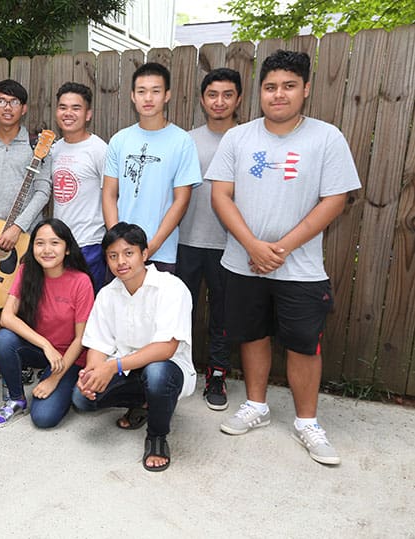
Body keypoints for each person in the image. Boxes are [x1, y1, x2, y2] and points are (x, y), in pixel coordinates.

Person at [209, 50, 361, 465]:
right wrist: (253, 246)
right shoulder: (238, 138)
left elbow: (336, 199)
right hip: (243, 261)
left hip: (302, 268)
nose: (279, 95)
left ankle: (307, 422)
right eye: (271, 87)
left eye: (289, 86)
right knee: (252, 335)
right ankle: (256, 406)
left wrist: (283, 247)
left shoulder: (326, 137)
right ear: (260, 92)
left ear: (306, 89)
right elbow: (220, 195)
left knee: (303, 345)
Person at [73, 222, 195, 471]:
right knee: (82, 399)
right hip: (127, 369)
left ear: (144, 254)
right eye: (113, 256)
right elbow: (98, 344)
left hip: (169, 369)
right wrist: (92, 374)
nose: (121, 262)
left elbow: (166, 349)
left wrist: (113, 366)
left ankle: (157, 436)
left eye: (128, 253)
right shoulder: (107, 294)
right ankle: (143, 403)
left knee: (157, 373)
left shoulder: (171, 288)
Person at [176, 68, 242, 411]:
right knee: (179, 311)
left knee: (223, 315)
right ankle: (178, 369)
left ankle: (217, 374)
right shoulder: (187, 139)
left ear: (238, 99)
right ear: (203, 100)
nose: (219, 101)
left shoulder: (247, 138)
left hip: (229, 245)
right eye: (213, 94)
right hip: (185, 240)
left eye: (227, 94)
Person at [0, 218, 94, 429]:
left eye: (54, 243)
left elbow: (81, 339)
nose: (47, 250)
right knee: (4, 339)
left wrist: (54, 378)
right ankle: (16, 398)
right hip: (41, 350)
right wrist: (46, 346)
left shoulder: (81, 281)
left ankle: (59, 380)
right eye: (40, 243)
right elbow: (6, 317)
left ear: (67, 249)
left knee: (43, 417)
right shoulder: (27, 270)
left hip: (69, 357)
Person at [102, 62, 201, 274]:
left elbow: (181, 201)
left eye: (155, 91)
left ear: (167, 95)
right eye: (141, 91)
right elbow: (109, 195)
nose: (148, 98)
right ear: (132, 96)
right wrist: (117, 243)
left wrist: (151, 246)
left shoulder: (182, 141)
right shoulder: (119, 140)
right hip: (120, 253)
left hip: (161, 251)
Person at [0, 79, 52, 254]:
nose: (7, 107)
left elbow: (42, 192)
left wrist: (17, 227)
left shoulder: (37, 146)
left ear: (24, 109)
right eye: (1, 101)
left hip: (28, 238)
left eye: (14, 102)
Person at [50, 82, 107, 292]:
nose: (68, 113)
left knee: (88, 308)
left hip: (89, 244)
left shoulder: (98, 150)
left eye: (76, 108)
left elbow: (113, 195)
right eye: (63, 107)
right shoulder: (54, 149)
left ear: (88, 114)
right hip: (58, 246)